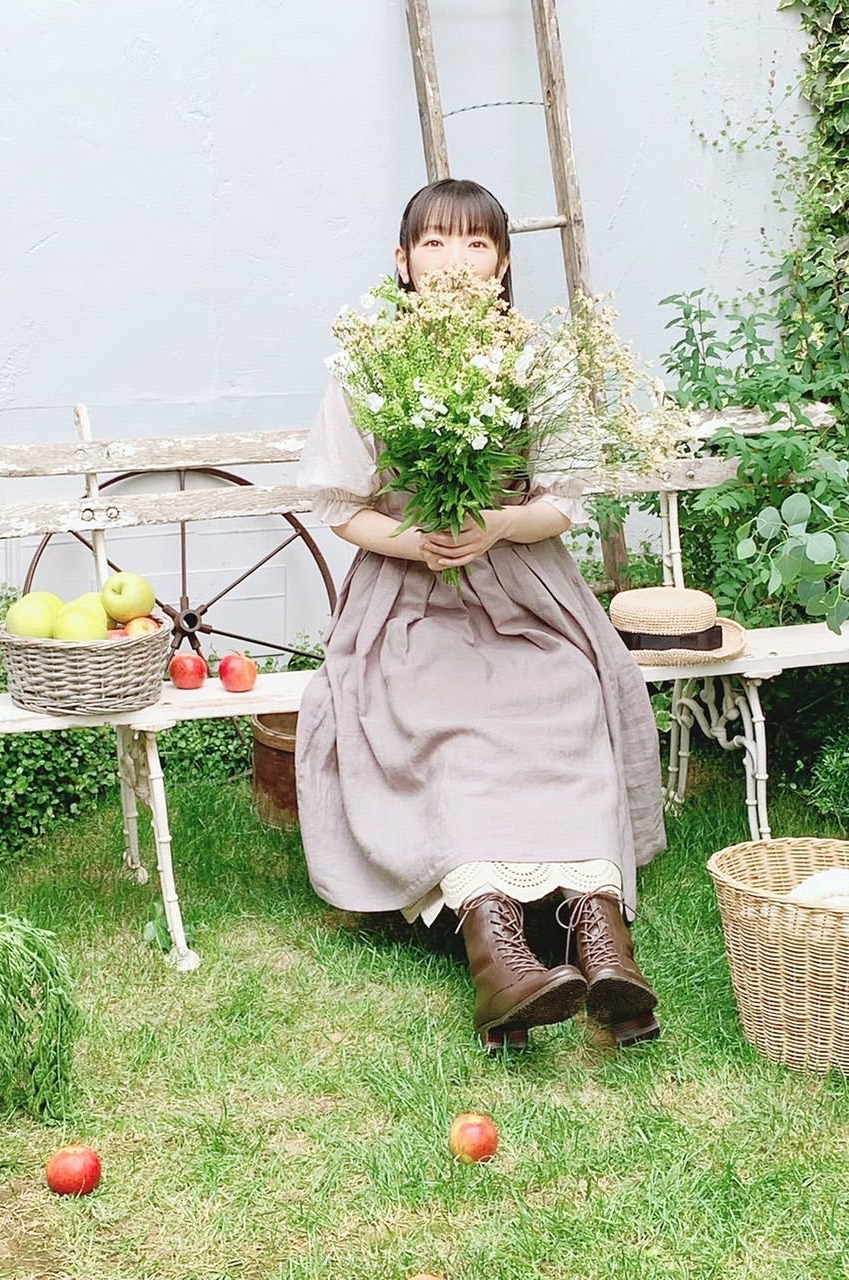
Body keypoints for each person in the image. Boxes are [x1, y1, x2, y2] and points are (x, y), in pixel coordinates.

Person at [294, 178, 667, 1052]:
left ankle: (601, 940)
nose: (454, 262)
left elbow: (564, 502)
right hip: (410, 600)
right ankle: (500, 958)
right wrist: (418, 540)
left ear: (501, 264)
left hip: (526, 592)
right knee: (447, 729)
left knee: (564, 698)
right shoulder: (371, 367)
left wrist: (496, 523)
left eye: (475, 244)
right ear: (403, 262)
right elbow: (342, 507)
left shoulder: (534, 361)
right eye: (434, 243)